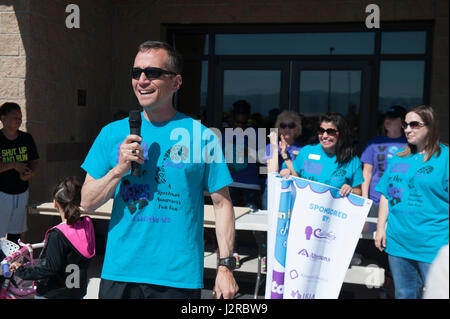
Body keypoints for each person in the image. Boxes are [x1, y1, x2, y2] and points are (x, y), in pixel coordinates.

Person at [80, 41, 238, 299]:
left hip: (177, 278)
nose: (142, 80)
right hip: (120, 274)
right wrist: (119, 170)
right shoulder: (111, 134)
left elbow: (222, 205)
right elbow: (86, 202)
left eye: (152, 73)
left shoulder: (201, 137)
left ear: (176, 83)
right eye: (136, 73)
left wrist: (225, 266)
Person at [374, 105, 449, 299]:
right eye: (406, 124)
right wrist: (380, 228)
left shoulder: (445, 158)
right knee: (404, 294)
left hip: (434, 244)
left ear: (430, 126)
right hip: (399, 243)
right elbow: (386, 194)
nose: (407, 129)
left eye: (414, 125)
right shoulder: (399, 157)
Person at [10, 176, 95, 299]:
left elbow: (50, 268)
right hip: (76, 292)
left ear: (55, 203)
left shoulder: (57, 235)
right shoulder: (87, 225)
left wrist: (21, 271)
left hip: (55, 293)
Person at [282, 112, 364, 197]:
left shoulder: (352, 160)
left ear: (341, 133)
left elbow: (358, 192)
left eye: (330, 132)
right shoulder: (306, 151)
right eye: (321, 131)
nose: (324, 136)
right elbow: (296, 176)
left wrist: (350, 190)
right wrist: (288, 172)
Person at [0, 102, 39, 244]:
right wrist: (13, 165)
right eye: (15, 117)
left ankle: (12, 265)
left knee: (15, 233)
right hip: (2, 192)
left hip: (21, 191)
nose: (19, 120)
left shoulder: (26, 138)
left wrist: (31, 174)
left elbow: (34, 161)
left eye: (20, 117)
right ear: (3, 119)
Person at [360, 105, 407, 217]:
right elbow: (367, 171)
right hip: (375, 198)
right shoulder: (374, 143)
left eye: (392, 118)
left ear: (402, 122)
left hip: (400, 200)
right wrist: (365, 197)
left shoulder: (409, 144)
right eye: (386, 117)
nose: (387, 120)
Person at [262, 110, 303, 210]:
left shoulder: (302, 150)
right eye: (283, 125)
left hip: (293, 190)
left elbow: (299, 175)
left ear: (297, 128)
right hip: (273, 189)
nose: (287, 129)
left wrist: (289, 168)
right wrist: (275, 148)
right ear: (278, 128)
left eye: (291, 125)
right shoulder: (270, 147)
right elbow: (272, 172)